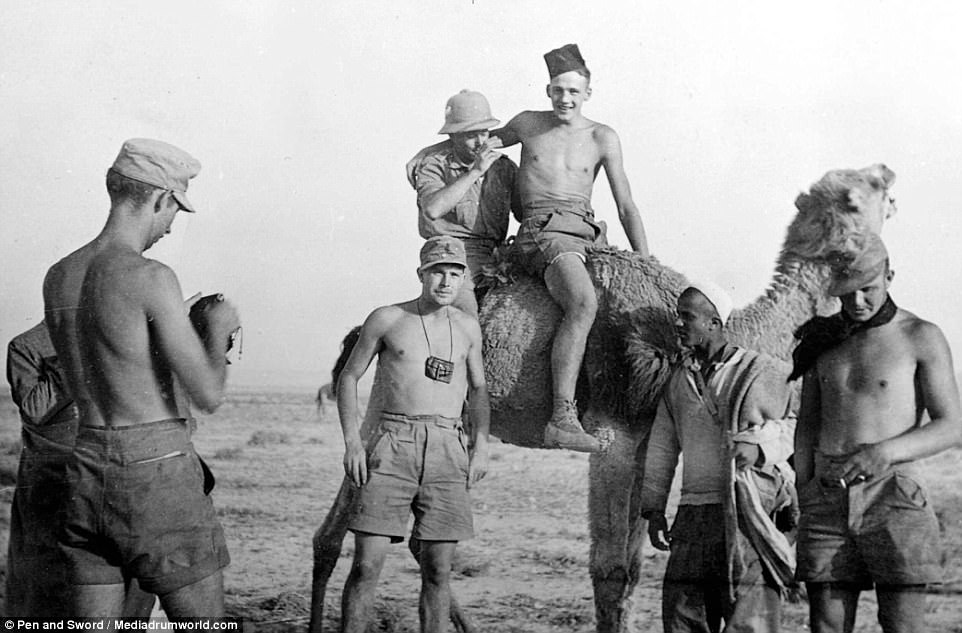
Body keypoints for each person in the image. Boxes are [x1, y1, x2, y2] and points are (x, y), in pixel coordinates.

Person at [43, 138, 240, 618]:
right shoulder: (151, 276)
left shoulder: (58, 275)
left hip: (85, 464)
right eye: (174, 211)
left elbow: (109, 358)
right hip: (155, 468)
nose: (170, 227)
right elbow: (208, 393)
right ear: (160, 198)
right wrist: (217, 330)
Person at [791, 234, 962, 633]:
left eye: (867, 289)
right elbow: (807, 425)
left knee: (901, 625)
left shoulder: (920, 335)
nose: (857, 302)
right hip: (827, 495)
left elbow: (952, 425)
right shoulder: (822, 339)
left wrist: (883, 452)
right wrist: (805, 489)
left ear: (890, 276)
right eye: (847, 291)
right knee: (826, 626)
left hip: (893, 492)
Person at [494, 43, 649, 452]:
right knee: (582, 302)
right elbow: (479, 145)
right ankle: (561, 416)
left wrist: (645, 261)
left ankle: (612, 408)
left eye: (573, 92)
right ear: (548, 90)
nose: (565, 98)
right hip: (542, 231)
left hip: (587, 232)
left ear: (587, 94)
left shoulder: (602, 137)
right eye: (558, 90)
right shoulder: (527, 124)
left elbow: (625, 205)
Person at [336, 236, 490, 633]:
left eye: (454, 274)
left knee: (438, 570)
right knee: (366, 565)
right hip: (392, 443)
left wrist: (481, 446)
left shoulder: (468, 328)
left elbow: (478, 389)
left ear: (463, 279)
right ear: (421, 274)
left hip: (447, 448)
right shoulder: (388, 318)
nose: (446, 281)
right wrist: (353, 442)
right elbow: (349, 377)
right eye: (437, 272)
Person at [641, 281, 797, 633]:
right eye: (678, 315)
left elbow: (796, 424)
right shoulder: (677, 381)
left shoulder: (760, 371)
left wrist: (760, 447)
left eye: (687, 316)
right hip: (692, 517)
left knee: (751, 622)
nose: (678, 323)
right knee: (683, 620)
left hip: (748, 514)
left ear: (714, 323)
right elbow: (662, 446)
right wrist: (654, 509)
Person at [5, 322, 155, 618]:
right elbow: (35, 410)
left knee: (133, 574)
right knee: (55, 584)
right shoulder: (26, 345)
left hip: (115, 472)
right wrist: (76, 356)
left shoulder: (113, 328)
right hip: (54, 482)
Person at [406, 90, 520, 316]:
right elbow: (432, 209)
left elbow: (523, 213)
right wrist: (475, 171)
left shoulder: (503, 167)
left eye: (484, 133)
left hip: (493, 252)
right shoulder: (435, 165)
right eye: (470, 135)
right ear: (453, 136)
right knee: (467, 314)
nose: (480, 142)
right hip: (449, 251)